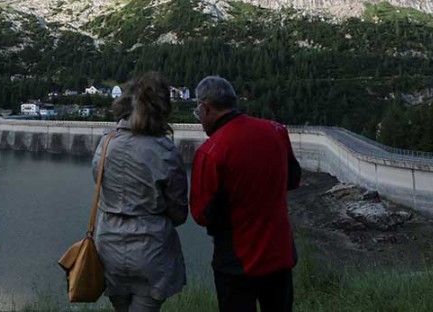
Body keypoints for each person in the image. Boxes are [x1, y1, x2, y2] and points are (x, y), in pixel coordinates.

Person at [190, 76, 302, 312]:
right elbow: (293, 180)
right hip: (279, 253)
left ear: (206, 108)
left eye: (197, 112)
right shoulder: (276, 131)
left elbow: (202, 215)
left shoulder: (211, 151)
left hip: (237, 263)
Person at [92, 72, 189, 312]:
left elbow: (99, 182)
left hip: (109, 245)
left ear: (123, 105)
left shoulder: (106, 144)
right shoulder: (165, 150)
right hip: (151, 249)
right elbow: (179, 213)